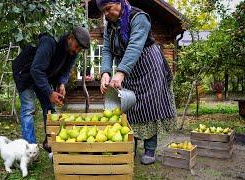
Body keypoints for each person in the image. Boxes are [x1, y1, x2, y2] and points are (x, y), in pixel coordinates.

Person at [96, 0, 176, 165]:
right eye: (103, 11)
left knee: (149, 107)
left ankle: (150, 149)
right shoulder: (110, 25)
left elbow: (135, 46)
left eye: (108, 8)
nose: (106, 14)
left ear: (119, 2)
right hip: (127, 70)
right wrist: (105, 72)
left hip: (148, 66)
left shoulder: (138, 17)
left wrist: (120, 73)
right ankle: (130, 145)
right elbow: (106, 49)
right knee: (128, 107)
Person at [12, 26, 90, 152]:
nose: (77, 51)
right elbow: (36, 70)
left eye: (80, 49)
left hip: (43, 75)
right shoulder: (49, 42)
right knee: (28, 109)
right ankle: (30, 150)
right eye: (77, 46)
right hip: (25, 73)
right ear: (70, 38)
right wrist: (49, 92)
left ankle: (50, 142)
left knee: (50, 109)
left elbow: (66, 71)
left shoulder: (72, 51)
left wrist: (61, 83)